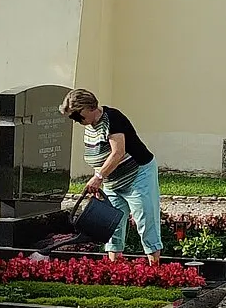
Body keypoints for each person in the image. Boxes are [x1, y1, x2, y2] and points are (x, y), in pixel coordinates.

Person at [61, 88, 161, 263]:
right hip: (112, 181)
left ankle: (157, 271)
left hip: (138, 174)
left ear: (89, 108)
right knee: (113, 225)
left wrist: (98, 177)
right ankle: (115, 269)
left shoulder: (112, 118)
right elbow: (99, 156)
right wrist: (99, 180)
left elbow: (117, 153)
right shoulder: (89, 125)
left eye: (77, 115)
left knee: (145, 221)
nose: (76, 120)